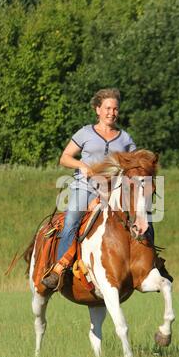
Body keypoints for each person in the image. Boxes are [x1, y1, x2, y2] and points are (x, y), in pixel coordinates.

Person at [42, 88, 137, 289]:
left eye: (115, 109)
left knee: (139, 219)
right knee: (71, 220)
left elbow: (135, 164)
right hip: (84, 187)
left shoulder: (125, 139)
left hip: (112, 191)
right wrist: (82, 166)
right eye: (107, 108)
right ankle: (60, 270)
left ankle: (148, 265)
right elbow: (64, 158)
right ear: (98, 110)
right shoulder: (85, 132)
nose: (112, 113)